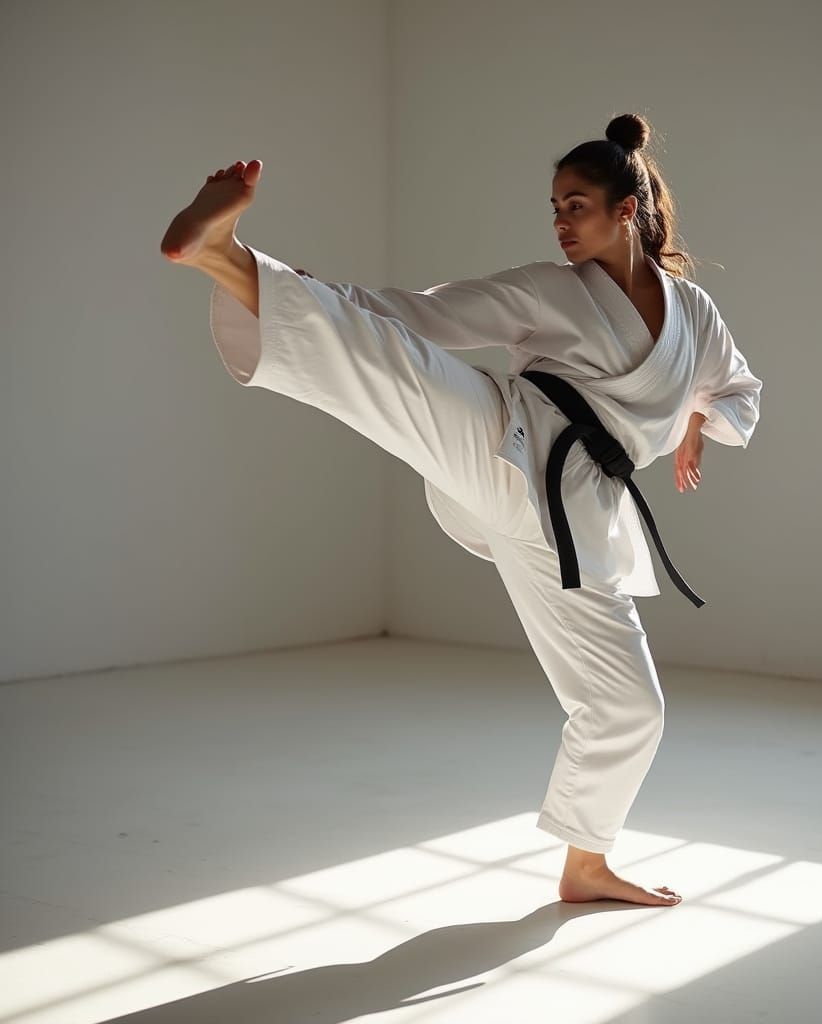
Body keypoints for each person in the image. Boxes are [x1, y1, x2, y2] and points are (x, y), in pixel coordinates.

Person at [160, 112, 762, 907]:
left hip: (579, 519)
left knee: (630, 708)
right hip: (506, 439)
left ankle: (586, 864)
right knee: (398, 364)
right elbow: (423, 313)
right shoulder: (551, 289)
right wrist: (318, 295)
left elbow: (739, 391)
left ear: (627, 210)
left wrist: (696, 423)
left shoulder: (695, 313)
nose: (560, 222)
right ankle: (228, 259)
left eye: (576, 205)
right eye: (554, 207)